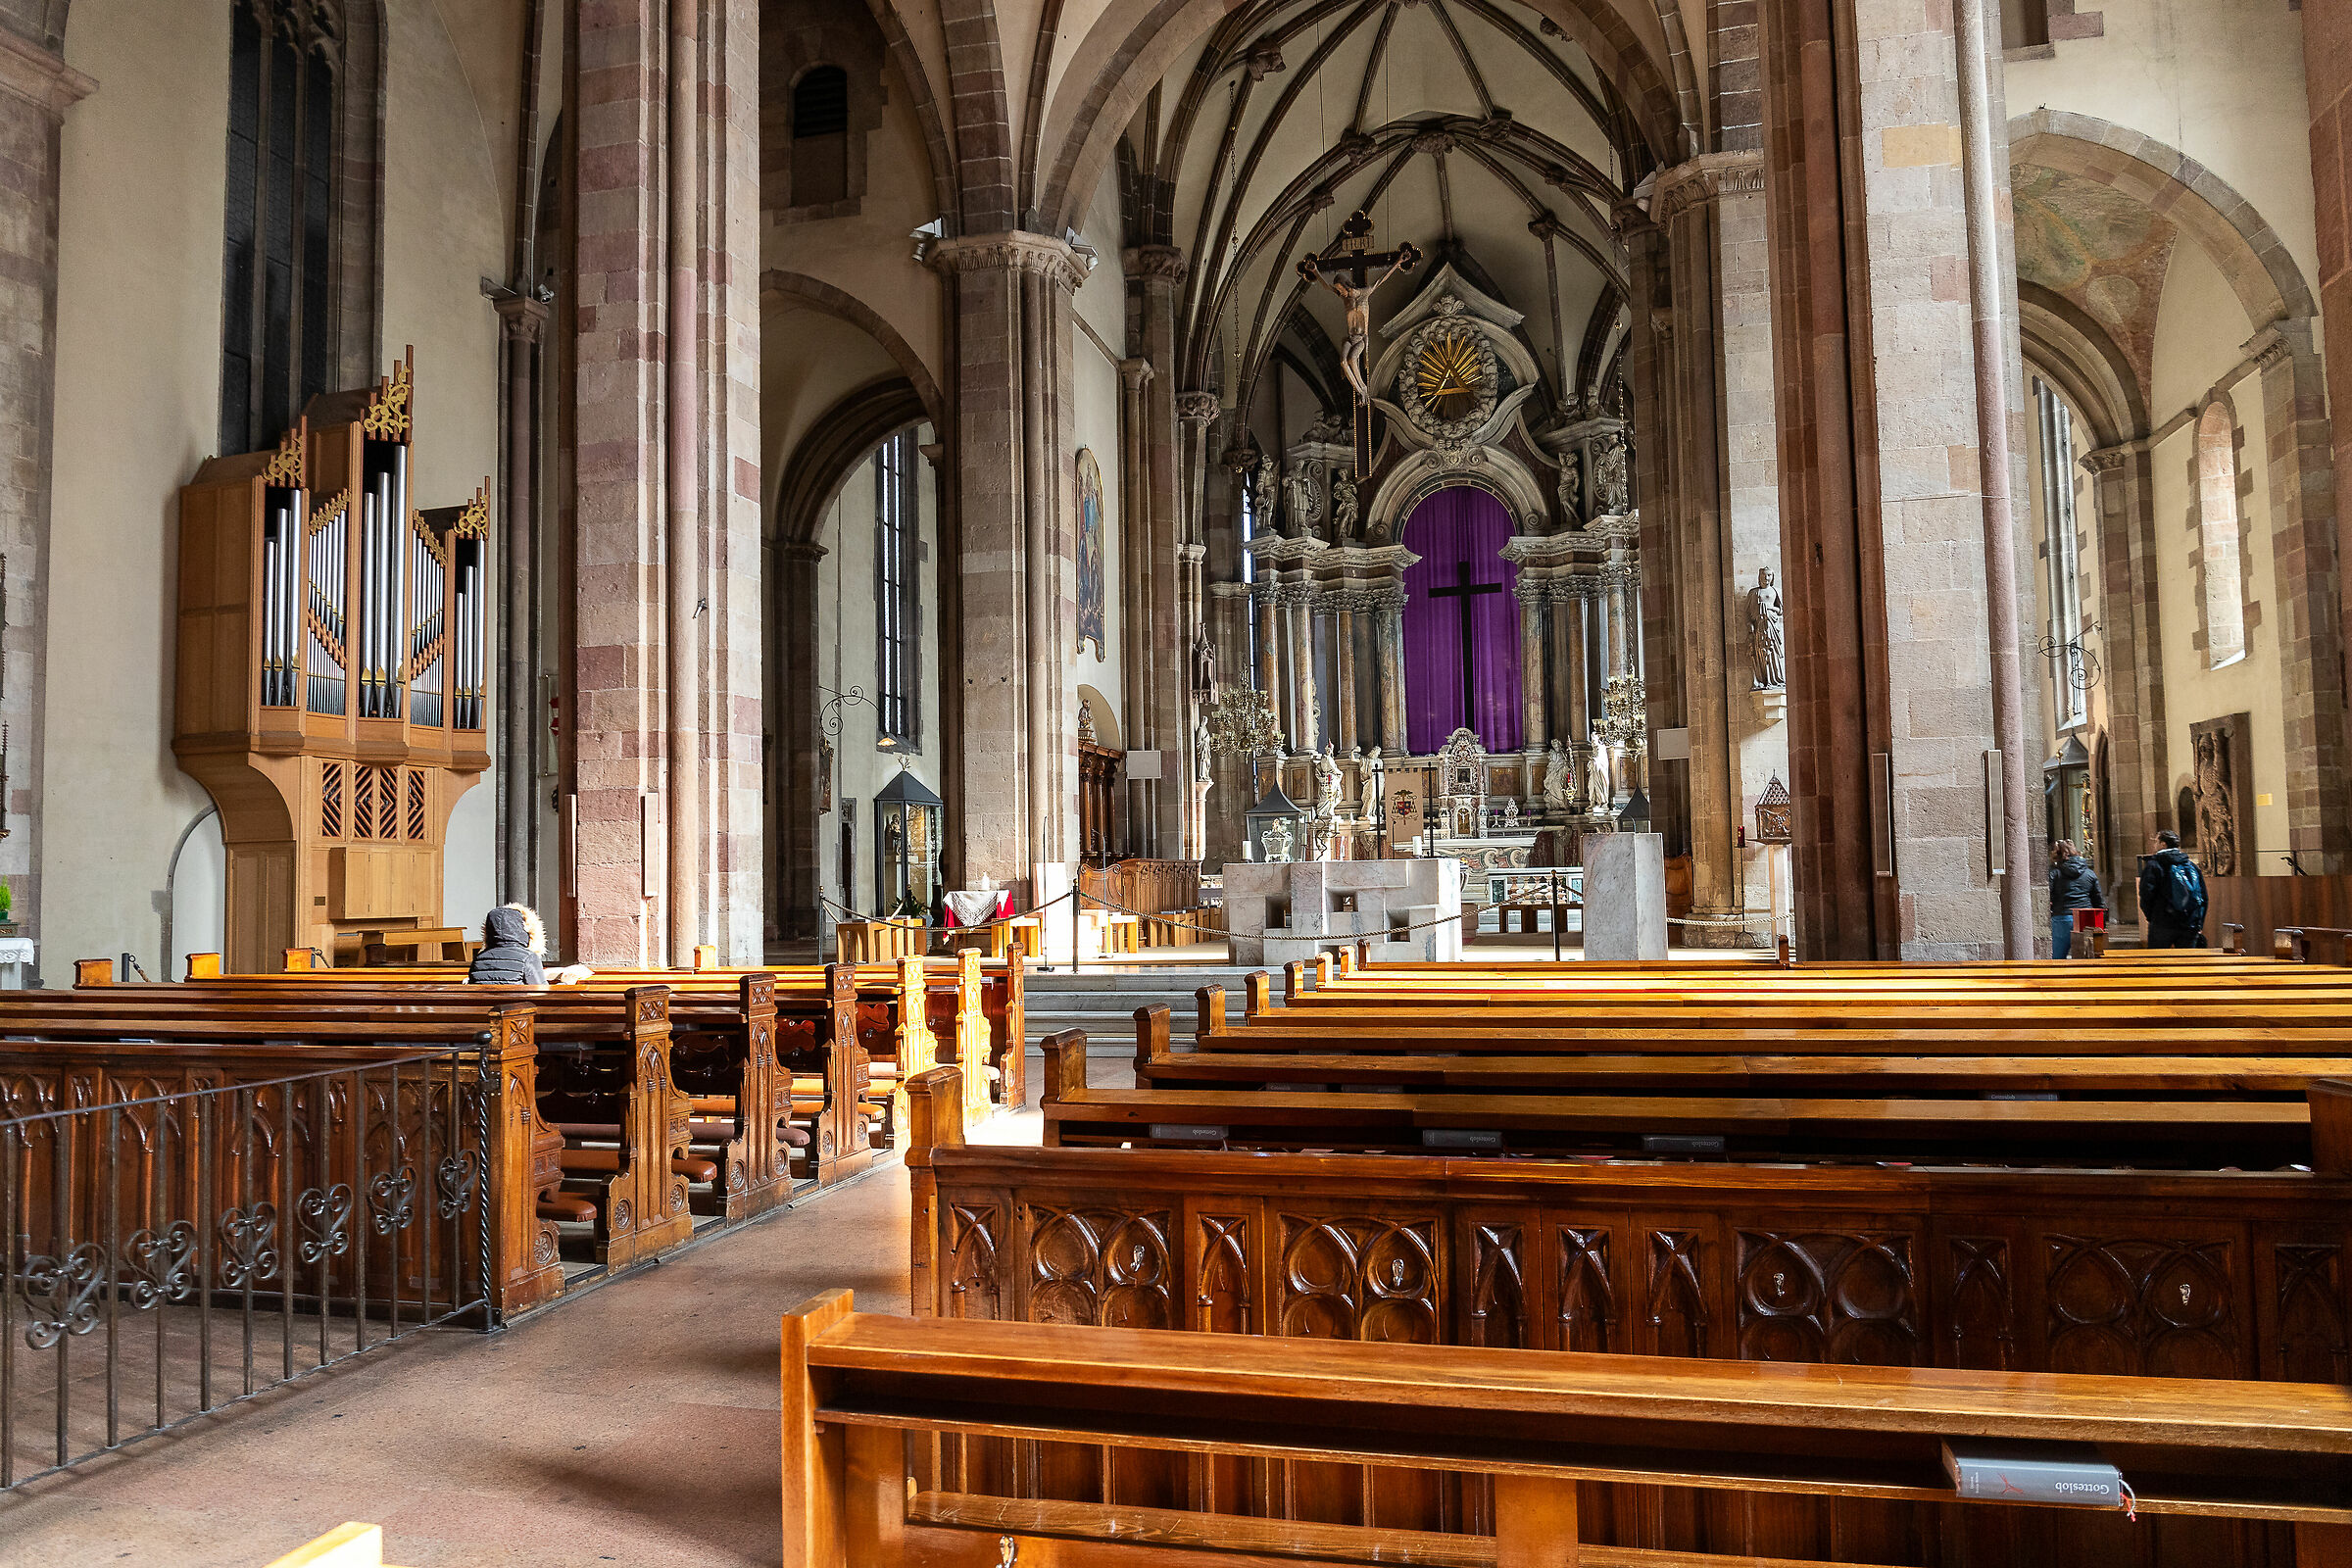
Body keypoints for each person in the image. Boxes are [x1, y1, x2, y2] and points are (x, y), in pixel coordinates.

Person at [467, 904, 593, 985]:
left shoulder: (479, 959)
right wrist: (566, 984)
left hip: (484, 1016)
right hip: (518, 1018)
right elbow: (540, 993)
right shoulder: (527, 957)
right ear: (521, 928)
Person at [2137, 829, 2208, 950]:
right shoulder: (2191, 866)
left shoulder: (2154, 865)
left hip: (2162, 922)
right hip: (2189, 923)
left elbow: (2146, 894)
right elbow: (2203, 896)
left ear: (2163, 844)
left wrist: (2152, 917)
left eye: (2156, 841)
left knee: (2157, 963)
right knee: (2188, 964)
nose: (2154, 845)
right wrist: (2198, 922)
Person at [2046, 838, 2103, 958]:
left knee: (2058, 959)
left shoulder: (2055, 873)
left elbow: (2048, 896)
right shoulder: (2089, 873)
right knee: (2087, 958)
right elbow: (2098, 900)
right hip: (2086, 917)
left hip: (2062, 916)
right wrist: (2101, 923)